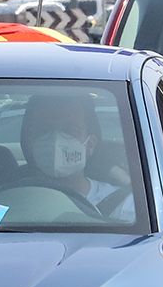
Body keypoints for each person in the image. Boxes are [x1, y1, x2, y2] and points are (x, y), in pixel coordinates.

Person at [18, 91, 131, 219]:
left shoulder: (124, 206)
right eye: (44, 130)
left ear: (90, 144)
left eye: (70, 130)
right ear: (29, 141)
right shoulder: (6, 201)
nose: (56, 140)